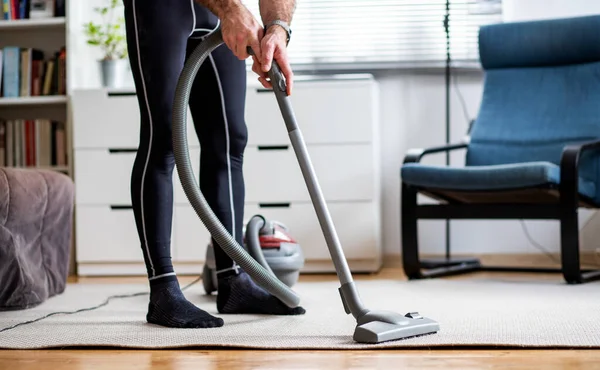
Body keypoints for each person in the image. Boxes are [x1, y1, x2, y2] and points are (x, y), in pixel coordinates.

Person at [122, 0, 305, 329]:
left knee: (230, 140)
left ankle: (232, 281)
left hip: (217, 10)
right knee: (162, 137)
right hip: (160, 8)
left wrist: (278, 29)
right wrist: (232, 10)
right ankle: (163, 290)